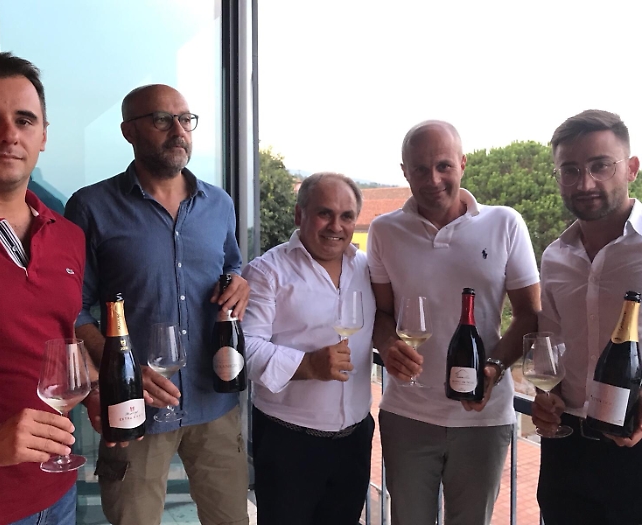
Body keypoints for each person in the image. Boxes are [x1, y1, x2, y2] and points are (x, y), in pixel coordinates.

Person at [64, 84, 250, 525]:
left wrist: (240, 282)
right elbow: (72, 308)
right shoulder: (91, 207)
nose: (179, 131)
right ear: (129, 131)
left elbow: (231, 266)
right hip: (134, 408)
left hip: (213, 403)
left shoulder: (219, 203)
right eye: (162, 120)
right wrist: (115, 370)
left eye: (186, 120)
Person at [367, 120, 540, 525]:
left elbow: (530, 315)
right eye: (420, 168)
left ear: (462, 163)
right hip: (407, 413)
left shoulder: (505, 223)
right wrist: (388, 345)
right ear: (405, 171)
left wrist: (494, 368)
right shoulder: (384, 230)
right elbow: (381, 314)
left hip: (483, 415)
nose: (433, 179)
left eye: (444, 165)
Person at [0, 52, 87, 525]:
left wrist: (99, 387)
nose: (9, 135)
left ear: (43, 136)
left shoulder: (68, 236)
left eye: (24, 120)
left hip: (58, 494)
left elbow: (53, 340)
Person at [242, 172, 376, 525]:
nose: (336, 226)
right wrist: (307, 365)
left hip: (355, 440)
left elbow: (386, 321)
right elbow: (245, 350)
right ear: (299, 214)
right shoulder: (267, 272)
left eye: (346, 216)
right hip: (288, 443)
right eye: (324, 213)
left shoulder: (366, 268)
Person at [534, 110, 642, 524]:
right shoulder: (555, 257)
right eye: (571, 170)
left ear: (631, 168)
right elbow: (550, 342)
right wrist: (545, 394)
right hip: (567, 449)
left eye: (600, 166)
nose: (585, 183)